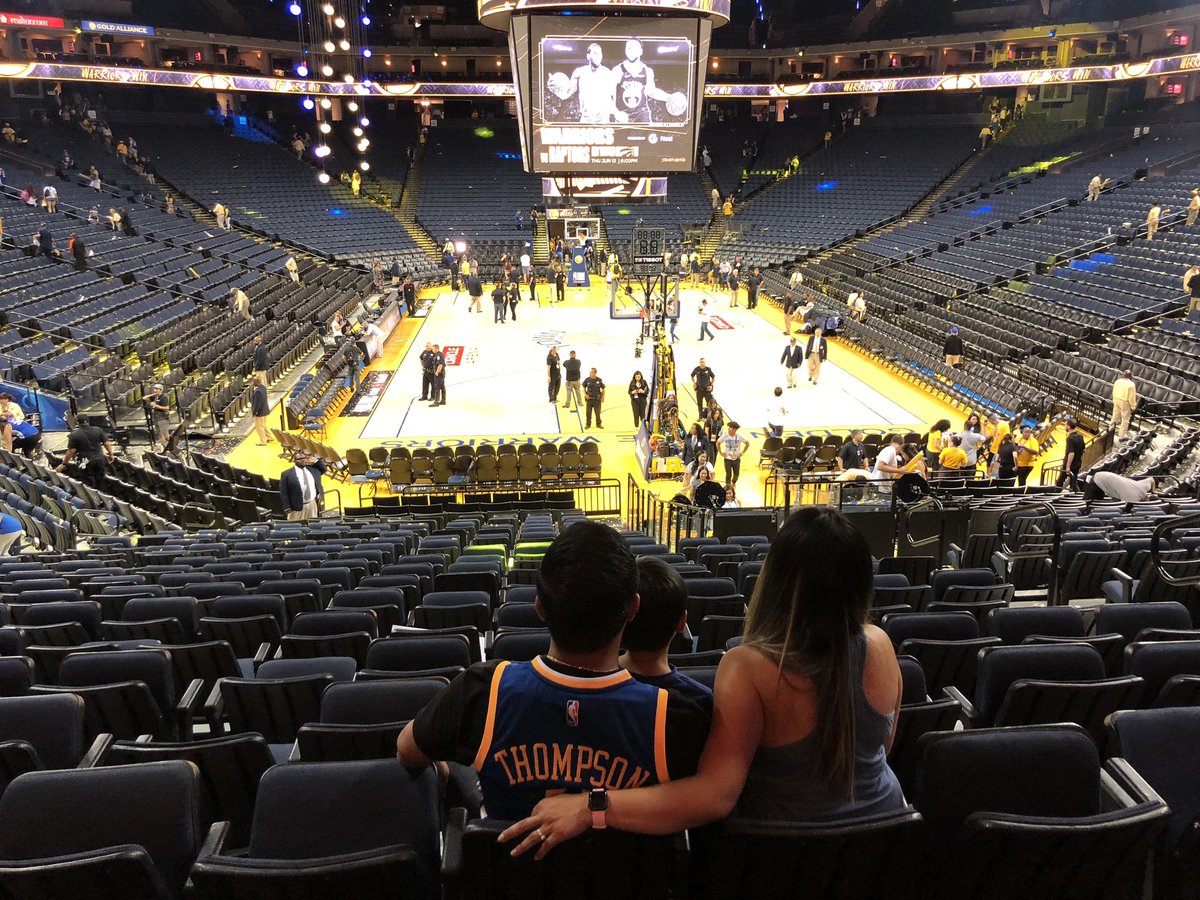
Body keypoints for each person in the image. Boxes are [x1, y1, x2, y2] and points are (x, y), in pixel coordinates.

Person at [499, 506, 904, 855]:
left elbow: (715, 796)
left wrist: (591, 806)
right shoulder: (881, 644)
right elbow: (879, 749)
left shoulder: (747, 666)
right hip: (883, 846)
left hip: (786, 859)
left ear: (775, 580)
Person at [396, 521, 709, 821]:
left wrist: (442, 761)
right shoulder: (676, 715)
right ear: (633, 609)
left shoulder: (482, 689)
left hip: (507, 859)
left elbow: (407, 750)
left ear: (540, 608)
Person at [56, 416, 115, 488]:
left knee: (87, 482)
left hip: (84, 461)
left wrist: (64, 464)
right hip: (99, 459)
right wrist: (111, 455)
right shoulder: (98, 430)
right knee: (101, 480)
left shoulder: (74, 434)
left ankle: (90, 493)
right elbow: (107, 444)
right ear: (88, 421)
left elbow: (71, 451)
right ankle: (101, 492)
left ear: (77, 422)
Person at [279, 449, 325, 521]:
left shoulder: (313, 470)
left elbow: (323, 469)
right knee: (296, 526)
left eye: (304, 458)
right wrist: (287, 508)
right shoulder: (286, 474)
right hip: (296, 508)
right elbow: (284, 492)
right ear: (295, 460)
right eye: (300, 459)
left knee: (312, 524)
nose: (302, 460)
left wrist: (316, 461)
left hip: (312, 504)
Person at [1085, 471, 1156, 504]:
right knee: (1089, 505)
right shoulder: (1132, 498)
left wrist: (1153, 492)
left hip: (1104, 476)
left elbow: (1151, 480)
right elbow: (1124, 509)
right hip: (1097, 482)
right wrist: (1153, 492)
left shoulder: (1143, 487)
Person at [718, 422, 750, 486]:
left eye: (730, 428)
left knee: (736, 473)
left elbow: (747, 443)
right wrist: (720, 452)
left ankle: (734, 482)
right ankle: (728, 486)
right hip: (727, 459)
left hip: (736, 459)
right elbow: (718, 443)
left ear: (735, 430)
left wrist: (742, 452)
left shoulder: (739, 436)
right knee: (728, 474)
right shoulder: (725, 436)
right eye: (729, 427)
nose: (728, 429)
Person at [143, 384, 172, 453]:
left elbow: (167, 408)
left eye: (156, 389)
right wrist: (153, 394)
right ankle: (171, 447)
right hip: (156, 418)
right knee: (165, 435)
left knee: (162, 435)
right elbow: (144, 398)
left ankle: (164, 450)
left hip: (162, 418)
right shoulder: (154, 397)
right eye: (154, 389)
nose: (154, 390)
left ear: (160, 390)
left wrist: (156, 405)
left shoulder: (163, 398)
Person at [1057, 419, 1085, 490]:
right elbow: (1083, 449)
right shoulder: (1080, 436)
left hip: (1070, 464)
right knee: (1073, 482)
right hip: (1077, 463)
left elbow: (1071, 453)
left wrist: (1068, 466)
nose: (1065, 427)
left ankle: (1055, 494)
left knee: (1059, 482)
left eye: (1065, 425)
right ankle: (1075, 493)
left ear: (1069, 427)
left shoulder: (1069, 438)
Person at [1111, 370, 1137, 436]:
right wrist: (1133, 406)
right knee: (1125, 419)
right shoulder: (1131, 384)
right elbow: (1131, 397)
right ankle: (1121, 435)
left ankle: (1110, 432)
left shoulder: (1118, 381)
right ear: (1130, 376)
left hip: (1116, 399)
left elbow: (1114, 391)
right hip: (1125, 402)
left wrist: (1114, 400)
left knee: (1115, 417)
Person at [250, 376, 273, 446]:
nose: (252, 383)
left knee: (259, 427)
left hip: (260, 412)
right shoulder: (263, 387)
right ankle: (269, 437)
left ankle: (263, 441)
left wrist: (254, 412)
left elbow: (257, 404)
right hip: (265, 410)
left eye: (253, 381)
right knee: (264, 425)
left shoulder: (258, 392)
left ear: (256, 382)